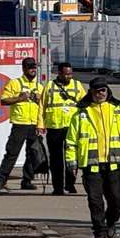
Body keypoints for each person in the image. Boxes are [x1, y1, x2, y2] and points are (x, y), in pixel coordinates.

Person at [66, 77, 120, 238]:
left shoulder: (119, 110)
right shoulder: (81, 113)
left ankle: (110, 222)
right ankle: (99, 231)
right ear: (91, 92)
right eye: (97, 91)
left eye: (103, 90)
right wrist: (72, 163)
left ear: (107, 90)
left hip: (114, 163)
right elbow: (71, 141)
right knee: (95, 200)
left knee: (117, 199)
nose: (100, 93)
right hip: (91, 165)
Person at [0, 57, 43, 193]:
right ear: (24, 69)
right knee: (12, 154)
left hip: (34, 124)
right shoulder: (15, 83)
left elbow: (43, 108)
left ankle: (27, 180)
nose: (33, 70)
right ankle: (0, 181)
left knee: (33, 154)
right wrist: (20, 98)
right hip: (20, 124)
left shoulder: (39, 87)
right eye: (30, 67)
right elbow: (3, 100)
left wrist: (39, 102)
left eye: (34, 67)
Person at [40, 61, 85, 195]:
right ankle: (58, 187)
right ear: (59, 73)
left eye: (70, 74)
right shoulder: (49, 86)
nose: (69, 76)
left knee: (72, 158)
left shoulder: (77, 85)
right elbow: (42, 106)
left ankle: (70, 184)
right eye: (66, 74)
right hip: (54, 127)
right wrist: (40, 124)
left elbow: (85, 104)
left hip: (72, 127)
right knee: (56, 159)